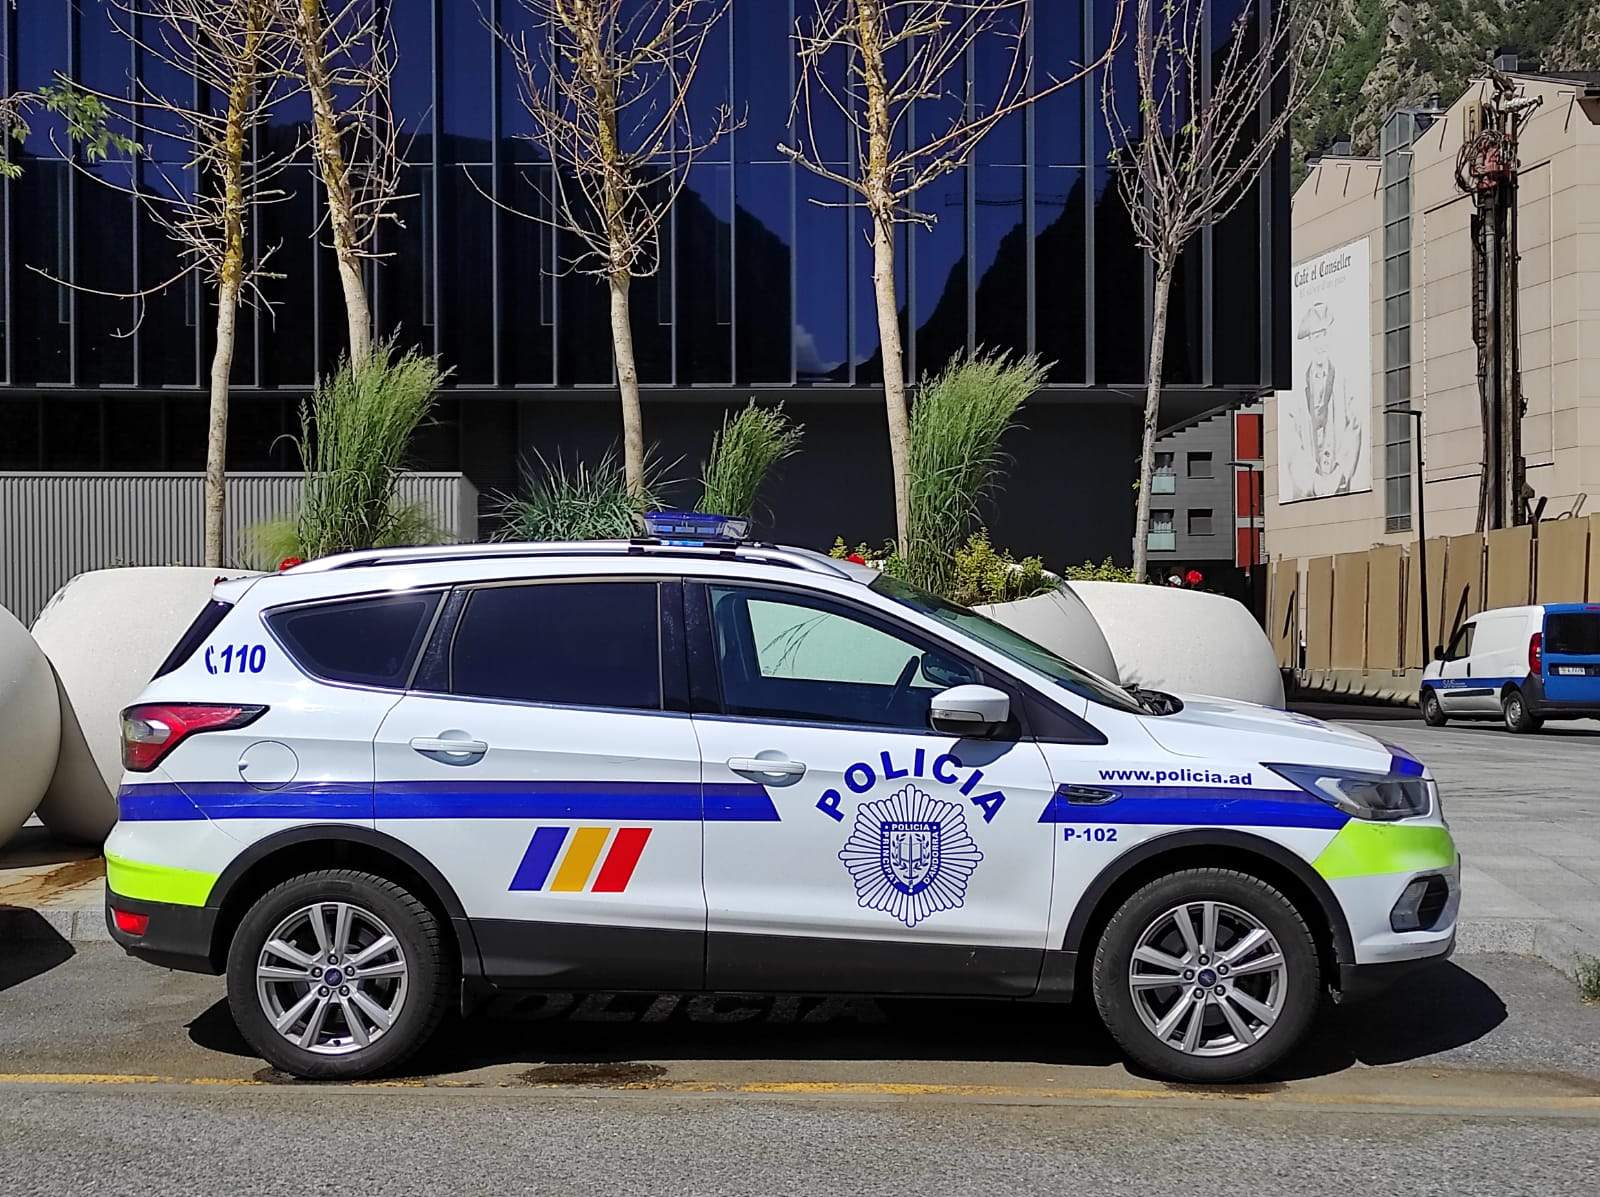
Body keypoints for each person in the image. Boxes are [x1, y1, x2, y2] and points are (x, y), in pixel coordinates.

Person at [1283, 301, 1365, 499]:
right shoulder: (1296, 388)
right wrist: (1309, 480)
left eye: (1325, 335)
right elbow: (1291, 439)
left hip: (1341, 482)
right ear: (1310, 341)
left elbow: (1354, 425)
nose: (1321, 343)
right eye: (1316, 337)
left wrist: (1342, 473)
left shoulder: (1344, 379)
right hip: (1307, 487)